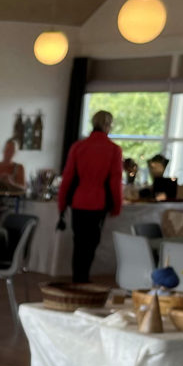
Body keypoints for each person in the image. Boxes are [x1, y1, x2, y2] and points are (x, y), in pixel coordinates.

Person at [56, 109, 123, 283]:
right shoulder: (113, 149)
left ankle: (78, 278)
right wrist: (117, 205)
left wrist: (62, 203)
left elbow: (67, 177)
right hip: (98, 202)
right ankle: (82, 278)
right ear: (108, 125)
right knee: (91, 243)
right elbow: (115, 181)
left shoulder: (79, 147)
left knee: (79, 242)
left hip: (79, 201)